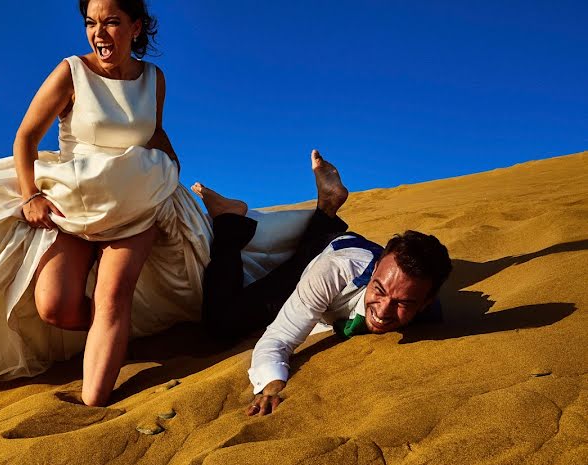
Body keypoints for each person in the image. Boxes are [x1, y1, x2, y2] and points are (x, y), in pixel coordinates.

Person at [0, 0, 316, 405]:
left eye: (112, 22)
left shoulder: (153, 79)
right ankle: (110, 332)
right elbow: (26, 137)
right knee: (54, 306)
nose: (100, 33)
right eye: (92, 22)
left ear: (137, 26)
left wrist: (172, 170)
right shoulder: (71, 72)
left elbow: (154, 131)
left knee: (116, 299)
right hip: (73, 203)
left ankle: (99, 390)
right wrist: (30, 194)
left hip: (138, 201)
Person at [192, 154, 452, 417]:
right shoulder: (331, 273)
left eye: (403, 303)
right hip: (325, 258)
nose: (384, 311)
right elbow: (280, 337)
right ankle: (229, 220)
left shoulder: (428, 307)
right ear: (375, 272)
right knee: (222, 323)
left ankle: (326, 209)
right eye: (379, 290)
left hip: (351, 248)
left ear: (426, 301)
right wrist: (270, 385)